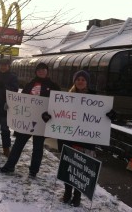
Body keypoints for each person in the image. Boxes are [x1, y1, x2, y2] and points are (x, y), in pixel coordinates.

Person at [0, 62, 61, 177]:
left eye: (43, 69)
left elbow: (59, 103)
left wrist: (50, 114)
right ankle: (9, 166)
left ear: (47, 71)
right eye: (39, 70)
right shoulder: (30, 84)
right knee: (18, 144)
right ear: (36, 72)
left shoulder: (53, 86)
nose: (41, 71)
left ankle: (33, 171)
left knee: (38, 148)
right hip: (26, 121)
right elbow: (20, 101)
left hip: (42, 122)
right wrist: (10, 105)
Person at [58, 70, 96, 207]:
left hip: (85, 140)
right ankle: (67, 193)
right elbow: (58, 114)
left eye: (83, 79)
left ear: (87, 82)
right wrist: (48, 116)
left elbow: (101, 115)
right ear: (74, 81)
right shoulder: (67, 97)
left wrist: (110, 114)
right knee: (68, 168)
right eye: (78, 79)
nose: (80, 81)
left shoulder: (94, 98)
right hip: (69, 138)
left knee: (80, 170)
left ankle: (77, 196)